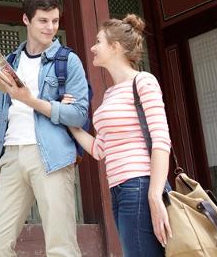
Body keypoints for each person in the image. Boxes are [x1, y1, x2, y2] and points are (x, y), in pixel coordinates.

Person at [0, 0, 90, 257]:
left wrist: (31, 101)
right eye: (43, 20)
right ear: (26, 20)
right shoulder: (10, 62)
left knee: (60, 246)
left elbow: (79, 115)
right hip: (12, 157)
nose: (50, 27)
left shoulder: (68, 61)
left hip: (51, 155)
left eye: (54, 21)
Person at [66, 14, 172, 257]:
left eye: (98, 42)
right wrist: (70, 123)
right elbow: (100, 149)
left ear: (114, 48)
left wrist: (154, 195)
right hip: (119, 189)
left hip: (141, 184)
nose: (92, 47)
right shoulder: (111, 94)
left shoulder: (144, 81)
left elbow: (161, 141)